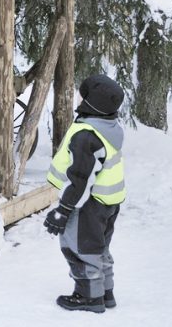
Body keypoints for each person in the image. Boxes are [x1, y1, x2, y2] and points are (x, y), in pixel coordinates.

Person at [44, 74, 126, 314]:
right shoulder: (108, 127)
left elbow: (80, 179)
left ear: (93, 103)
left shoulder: (86, 135)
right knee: (98, 247)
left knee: (79, 248)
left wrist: (63, 210)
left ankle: (89, 297)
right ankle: (105, 292)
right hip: (108, 203)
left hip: (87, 204)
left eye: (85, 95)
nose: (80, 98)